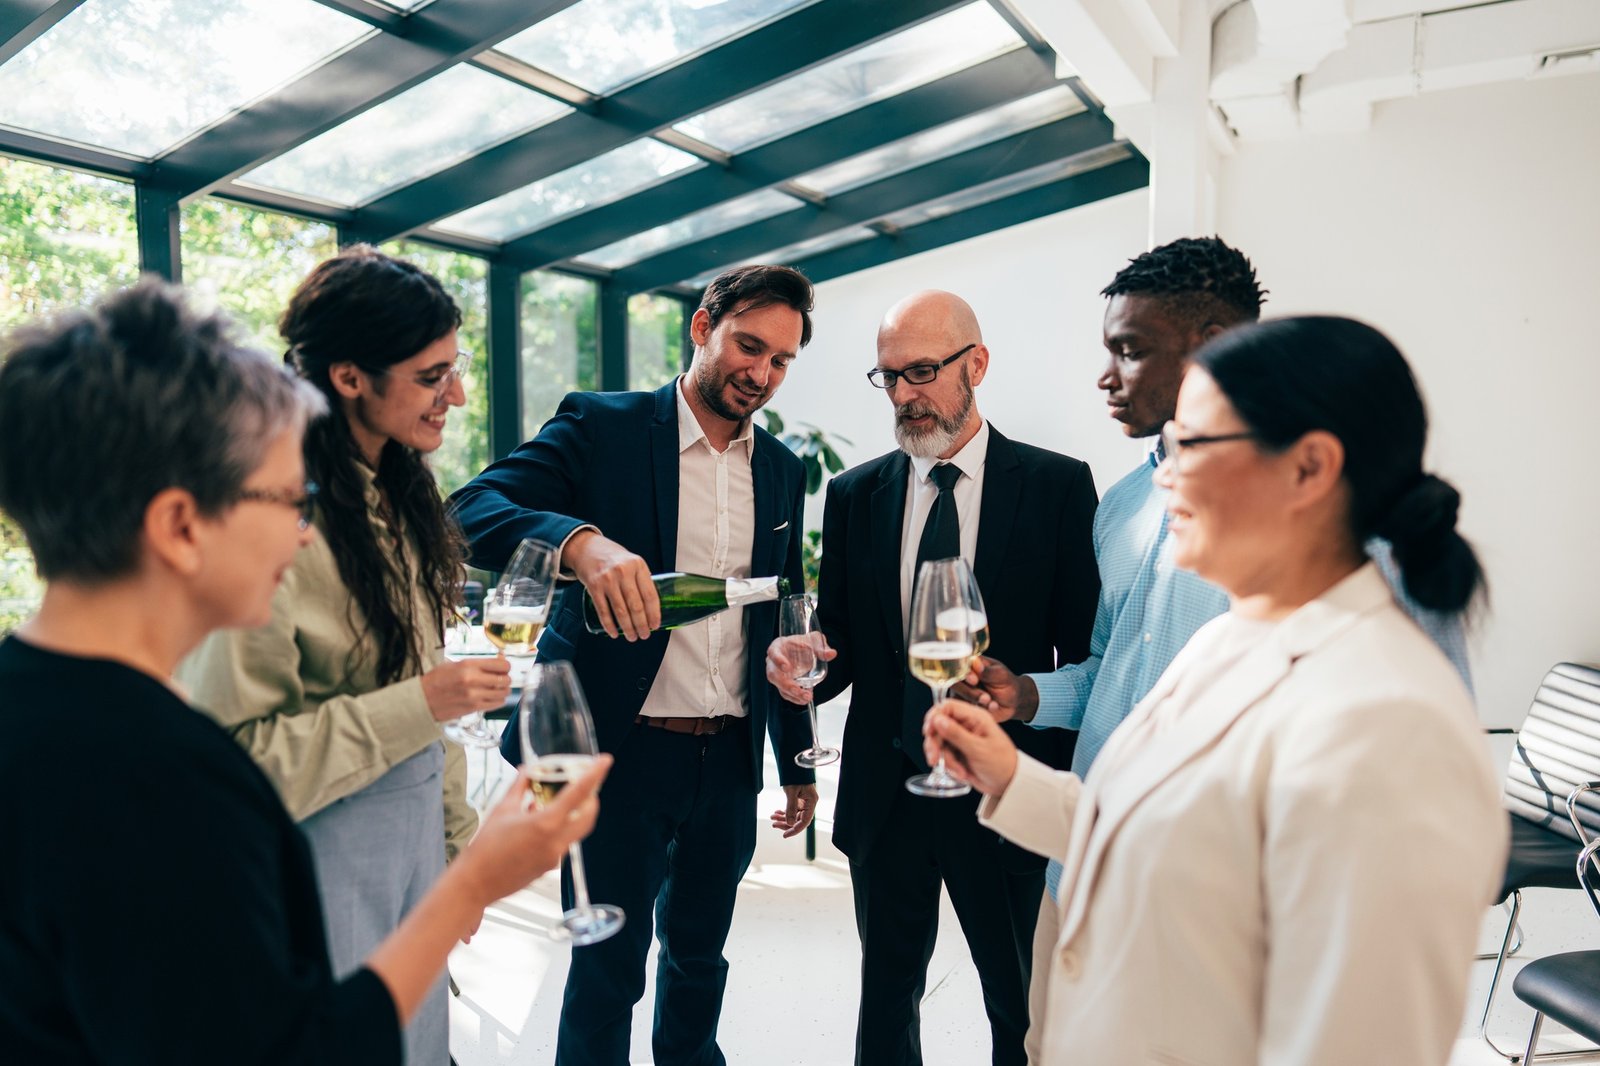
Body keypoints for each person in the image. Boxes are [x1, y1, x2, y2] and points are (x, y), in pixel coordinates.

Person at [0, 279, 608, 1064]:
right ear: (181, 525)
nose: (300, 535)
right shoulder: (166, 782)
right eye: (289, 500)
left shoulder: (45, 710)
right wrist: (473, 880)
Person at [925, 315, 1507, 1065]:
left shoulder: (1388, 724)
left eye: (1192, 444)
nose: (1163, 473)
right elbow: (1157, 832)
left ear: (1308, 468)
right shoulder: (1225, 637)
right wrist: (1012, 778)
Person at [449, 265, 817, 1066]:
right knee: (609, 968)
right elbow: (467, 511)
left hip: (725, 757)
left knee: (699, 962)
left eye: (781, 361)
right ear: (702, 326)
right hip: (621, 751)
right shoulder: (602, 426)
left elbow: (779, 616)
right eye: (748, 346)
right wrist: (581, 544)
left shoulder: (784, 469)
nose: (761, 373)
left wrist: (794, 756)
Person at [179, 245, 511, 1065]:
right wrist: (425, 703)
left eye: (455, 369)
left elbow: (423, 726)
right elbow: (235, 769)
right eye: (433, 377)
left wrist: (453, 854)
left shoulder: (400, 498)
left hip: (405, 861)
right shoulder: (267, 528)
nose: (458, 395)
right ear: (351, 376)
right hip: (312, 875)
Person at [766, 291, 1099, 1066]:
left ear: (975, 364)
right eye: (888, 377)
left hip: (1007, 790)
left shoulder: (1057, 488)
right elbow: (843, 644)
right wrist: (807, 666)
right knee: (885, 1006)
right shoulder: (854, 495)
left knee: (1020, 1010)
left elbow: (1085, 653)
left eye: (922, 371)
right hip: (889, 796)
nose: (906, 394)